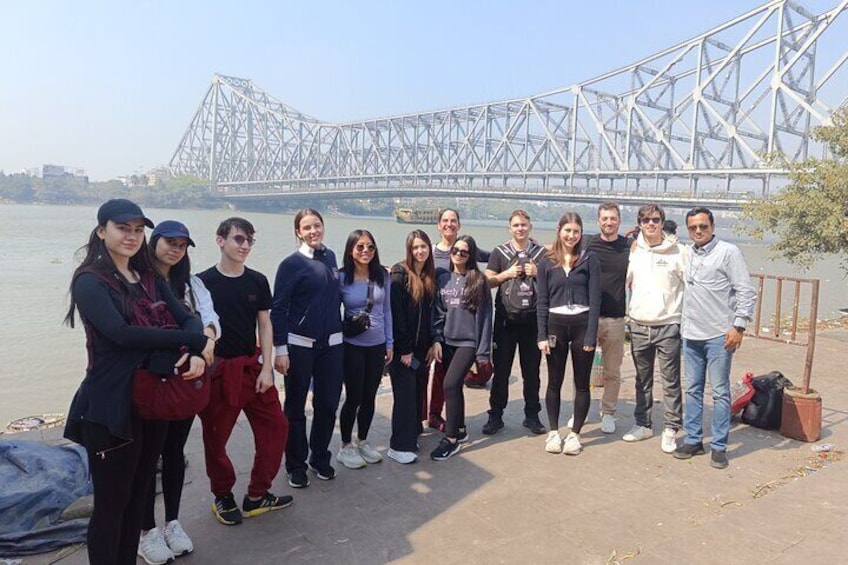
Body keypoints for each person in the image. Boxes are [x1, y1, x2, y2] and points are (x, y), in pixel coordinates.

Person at [63, 199, 212, 565]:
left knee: (139, 492)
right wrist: (194, 341)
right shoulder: (90, 281)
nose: (131, 236)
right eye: (122, 228)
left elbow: (188, 317)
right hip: (111, 405)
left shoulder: (147, 277)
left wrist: (194, 348)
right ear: (102, 231)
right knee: (112, 504)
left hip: (153, 397)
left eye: (137, 229)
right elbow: (121, 333)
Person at [197, 217, 291, 526]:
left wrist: (268, 368)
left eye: (250, 240)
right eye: (239, 239)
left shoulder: (258, 281)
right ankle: (223, 495)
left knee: (276, 428)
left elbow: (264, 324)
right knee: (215, 438)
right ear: (220, 240)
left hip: (252, 369)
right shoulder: (201, 282)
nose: (245, 246)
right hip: (220, 371)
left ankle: (257, 494)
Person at [139, 220, 221, 562]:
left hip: (185, 378)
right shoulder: (135, 280)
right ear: (154, 242)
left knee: (174, 450)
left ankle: (172, 522)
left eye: (182, 244)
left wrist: (205, 350)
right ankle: (146, 531)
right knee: (147, 455)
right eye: (169, 242)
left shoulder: (191, 283)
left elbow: (210, 319)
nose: (175, 249)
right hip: (150, 379)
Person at [675, 207, 756, 469]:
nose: (698, 231)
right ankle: (694, 440)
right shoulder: (687, 253)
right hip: (691, 334)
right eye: (693, 228)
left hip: (719, 336)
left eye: (703, 226)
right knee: (693, 389)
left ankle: (719, 446)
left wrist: (739, 327)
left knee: (720, 392)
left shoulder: (728, 252)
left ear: (712, 226)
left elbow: (745, 291)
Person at [272, 209, 344, 487]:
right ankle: (295, 464)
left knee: (327, 403)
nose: (313, 231)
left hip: (332, 345)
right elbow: (278, 308)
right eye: (307, 227)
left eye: (317, 225)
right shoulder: (291, 264)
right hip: (299, 345)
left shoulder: (331, 257)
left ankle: (320, 457)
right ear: (298, 232)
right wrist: (280, 349)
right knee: (295, 407)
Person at [622, 204, 687, 454]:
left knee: (671, 381)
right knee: (642, 380)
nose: (651, 224)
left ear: (663, 222)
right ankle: (643, 424)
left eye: (656, 220)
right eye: (646, 220)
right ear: (639, 223)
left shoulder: (679, 252)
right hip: (638, 324)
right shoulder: (634, 251)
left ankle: (671, 427)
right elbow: (621, 281)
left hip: (668, 324)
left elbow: (694, 285)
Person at [537, 212, 601, 456]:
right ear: (559, 230)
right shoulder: (546, 262)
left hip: (582, 323)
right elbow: (542, 301)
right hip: (555, 324)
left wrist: (591, 335)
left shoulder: (589, 259)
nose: (571, 235)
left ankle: (575, 434)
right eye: (567, 231)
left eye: (576, 231)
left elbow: (595, 300)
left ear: (581, 233)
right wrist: (541, 335)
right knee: (554, 380)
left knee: (582, 383)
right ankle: (554, 432)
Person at [482, 210, 547, 436]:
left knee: (532, 371)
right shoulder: (500, 252)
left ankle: (532, 415)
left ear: (530, 227)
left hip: (532, 320)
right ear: (509, 228)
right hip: (506, 320)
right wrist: (506, 274)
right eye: (516, 225)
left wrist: (539, 272)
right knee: (501, 370)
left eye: (524, 225)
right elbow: (487, 281)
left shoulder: (540, 253)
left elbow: (555, 281)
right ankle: (496, 415)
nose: (520, 228)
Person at [430, 235, 493, 461]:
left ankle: (451, 440)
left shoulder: (478, 280)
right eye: (455, 250)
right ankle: (462, 429)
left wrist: (483, 353)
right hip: (447, 341)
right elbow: (438, 312)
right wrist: (436, 338)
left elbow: (485, 318)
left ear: (471, 256)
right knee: (455, 388)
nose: (458, 254)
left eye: (464, 252)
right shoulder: (443, 278)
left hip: (468, 342)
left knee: (449, 385)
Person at [336, 229, 394, 469]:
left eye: (370, 247)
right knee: (354, 397)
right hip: (352, 346)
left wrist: (390, 342)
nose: (365, 251)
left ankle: (363, 441)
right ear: (351, 250)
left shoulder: (382, 275)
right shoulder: (341, 278)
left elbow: (387, 310)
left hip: (377, 344)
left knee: (370, 397)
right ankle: (345, 446)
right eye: (360, 247)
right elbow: (330, 312)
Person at [578, 202, 630, 434]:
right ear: (598, 221)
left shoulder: (629, 246)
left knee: (612, 371)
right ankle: (579, 413)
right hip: (587, 317)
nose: (609, 222)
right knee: (581, 369)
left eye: (613, 218)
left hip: (615, 318)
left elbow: (656, 248)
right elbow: (559, 247)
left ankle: (608, 413)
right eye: (604, 219)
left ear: (619, 221)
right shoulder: (587, 242)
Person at [387, 230, 437, 464]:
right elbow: (397, 315)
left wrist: (430, 344)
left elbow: (429, 316)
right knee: (404, 395)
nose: (420, 251)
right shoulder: (399, 273)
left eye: (424, 246)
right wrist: (404, 349)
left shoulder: (428, 276)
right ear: (409, 249)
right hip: (402, 349)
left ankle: (413, 433)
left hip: (421, 348)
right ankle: (399, 445)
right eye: (416, 247)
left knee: (418, 391)